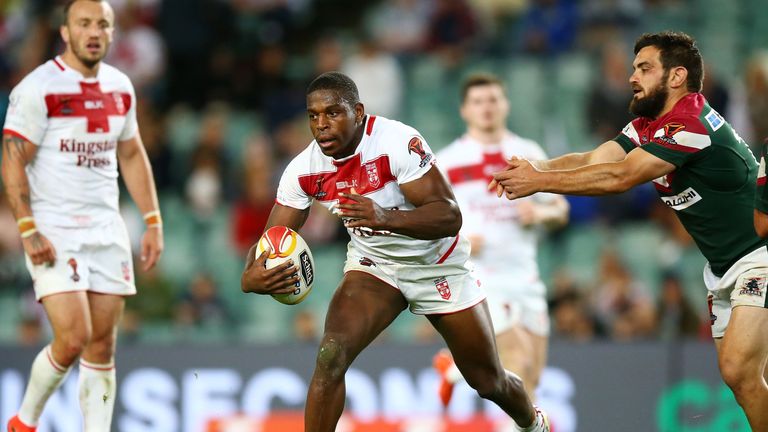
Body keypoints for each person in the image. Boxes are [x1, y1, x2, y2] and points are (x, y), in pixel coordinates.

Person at [241, 71, 550, 432]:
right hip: (375, 268)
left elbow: (449, 216)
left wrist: (383, 216)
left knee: (487, 381)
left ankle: (532, 422)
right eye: (313, 116)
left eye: (333, 113)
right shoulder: (304, 169)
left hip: (437, 265)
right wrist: (250, 276)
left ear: (358, 111)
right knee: (330, 357)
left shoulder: (397, 142)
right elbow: (271, 240)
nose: (322, 125)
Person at [491, 31, 768, 430]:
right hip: (724, 266)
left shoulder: (691, 123)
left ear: (676, 77)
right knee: (740, 381)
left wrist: (539, 183)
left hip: (758, 254)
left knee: (740, 370)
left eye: (644, 68)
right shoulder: (649, 125)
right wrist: (540, 168)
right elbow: (595, 157)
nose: (632, 77)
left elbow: (621, 176)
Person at [1, 1, 163, 431]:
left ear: (112, 34)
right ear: (65, 32)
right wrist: (28, 227)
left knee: (102, 345)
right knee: (72, 338)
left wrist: (152, 220)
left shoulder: (120, 86)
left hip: (106, 228)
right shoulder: (39, 87)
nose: (94, 32)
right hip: (55, 229)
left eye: (102, 25)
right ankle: (24, 422)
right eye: (84, 23)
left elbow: (131, 152)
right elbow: (13, 160)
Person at [432, 74, 569, 408]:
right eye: (478, 101)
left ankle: (454, 369)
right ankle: (456, 368)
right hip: (478, 275)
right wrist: (458, 239)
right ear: (464, 110)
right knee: (517, 365)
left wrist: (539, 215)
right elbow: (428, 223)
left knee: (531, 382)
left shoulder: (526, 152)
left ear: (506, 105)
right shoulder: (446, 161)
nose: (487, 108)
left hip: (525, 274)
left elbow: (561, 209)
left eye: (493, 99)